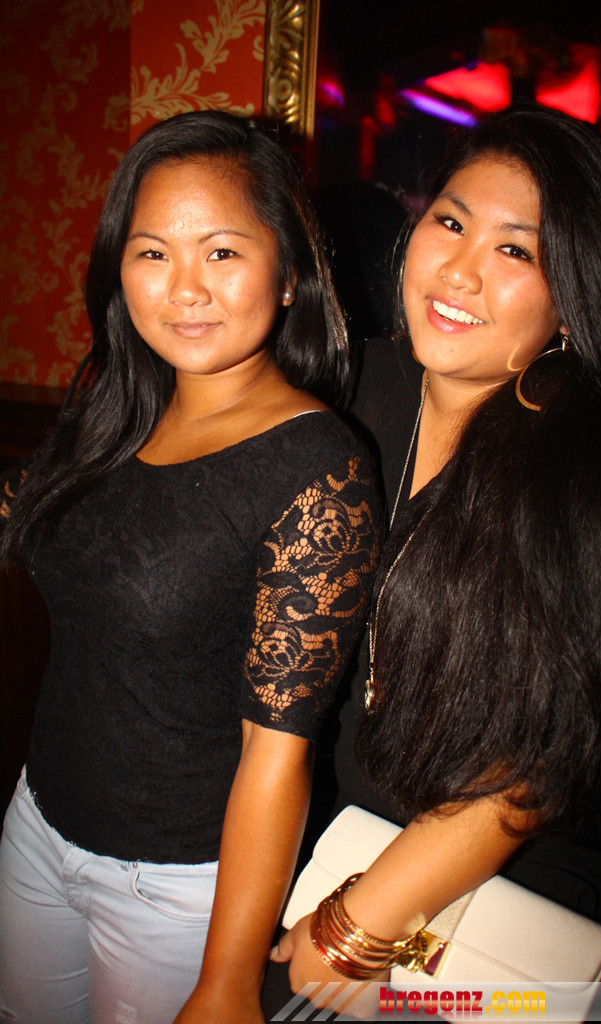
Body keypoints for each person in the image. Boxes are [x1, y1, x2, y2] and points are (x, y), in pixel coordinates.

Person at [272, 104, 601, 1004]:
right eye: (451, 222)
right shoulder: (356, 388)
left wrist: (353, 929)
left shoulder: (599, 471)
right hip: (354, 838)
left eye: (514, 251)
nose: (459, 269)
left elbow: (528, 776)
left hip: (528, 901)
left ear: (573, 296)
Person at [0, 110, 379, 1024]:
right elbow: (25, 513)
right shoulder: (121, 409)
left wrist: (227, 980)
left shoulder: (318, 469)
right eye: (152, 253)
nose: (184, 289)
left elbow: (277, 752)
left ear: (288, 273)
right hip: (38, 819)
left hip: (171, 883)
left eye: (221, 252)